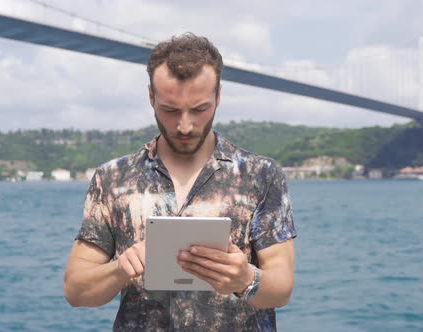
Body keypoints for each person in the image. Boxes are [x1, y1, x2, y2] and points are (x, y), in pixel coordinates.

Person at [63, 32, 297, 331]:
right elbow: (75, 290)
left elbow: (282, 287)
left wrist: (245, 279)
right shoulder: (112, 179)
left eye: (199, 109)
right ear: (151, 97)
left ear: (218, 96)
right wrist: (120, 270)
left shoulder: (261, 175)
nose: (184, 125)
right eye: (170, 110)